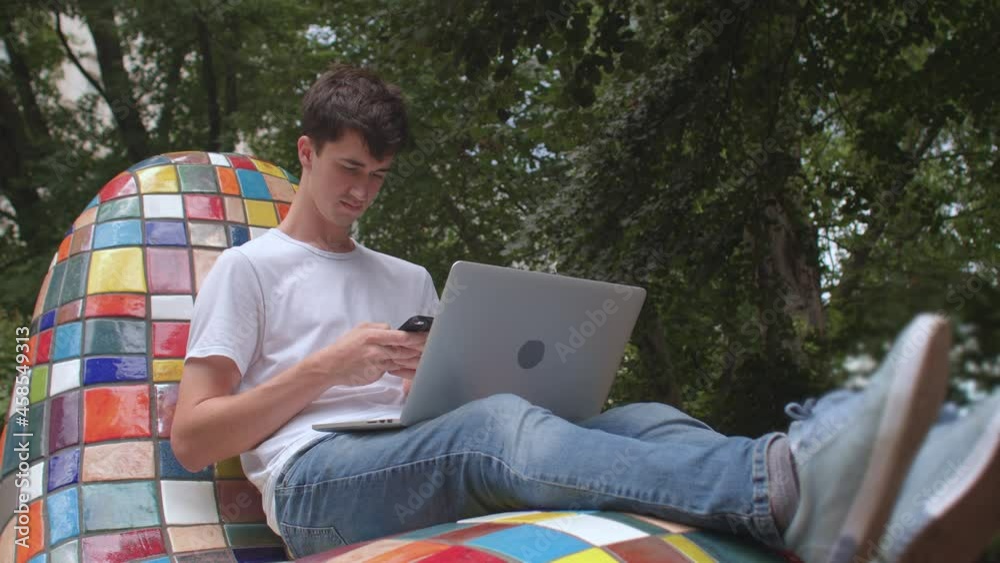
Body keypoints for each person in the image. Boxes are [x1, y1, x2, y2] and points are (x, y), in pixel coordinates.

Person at [172, 62, 1000, 563]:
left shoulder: (408, 277)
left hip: (415, 452)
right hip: (317, 488)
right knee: (494, 429)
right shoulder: (249, 270)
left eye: (378, 177)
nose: (361, 192)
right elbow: (195, 436)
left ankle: (852, 506)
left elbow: (445, 417)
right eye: (348, 168)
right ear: (307, 151)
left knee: (644, 417)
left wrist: (443, 377)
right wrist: (326, 368)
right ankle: (792, 484)